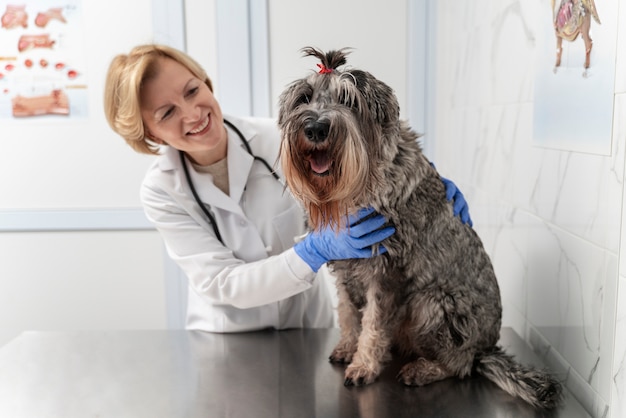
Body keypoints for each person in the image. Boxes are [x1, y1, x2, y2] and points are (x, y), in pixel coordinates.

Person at [104, 44, 472, 333]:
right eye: (166, 113)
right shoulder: (161, 189)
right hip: (228, 338)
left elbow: (371, 153)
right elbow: (220, 281)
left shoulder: (279, 137)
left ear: (206, 82)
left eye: (191, 90)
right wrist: (315, 250)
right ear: (148, 133)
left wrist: (426, 184)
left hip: (306, 328)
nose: (192, 113)